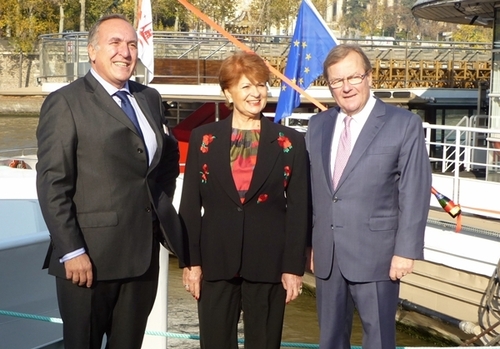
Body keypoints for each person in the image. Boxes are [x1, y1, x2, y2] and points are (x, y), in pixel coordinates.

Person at [36, 14, 181, 349]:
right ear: (92, 51)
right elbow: (52, 184)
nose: (125, 53)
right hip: (88, 261)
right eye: (115, 43)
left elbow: (167, 159)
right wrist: (71, 250)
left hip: (142, 258)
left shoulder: (149, 98)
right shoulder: (65, 103)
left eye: (132, 45)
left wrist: (158, 205)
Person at [179, 51, 310, 349]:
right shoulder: (203, 138)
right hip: (215, 264)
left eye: (261, 85)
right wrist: (192, 263)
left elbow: (300, 208)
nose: (256, 93)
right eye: (246, 86)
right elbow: (189, 205)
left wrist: (293, 268)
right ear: (228, 93)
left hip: (269, 265)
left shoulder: (290, 142)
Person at [305, 43, 431, 349]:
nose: (346, 88)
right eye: (337, 81)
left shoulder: (403, 124)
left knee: (378, 341)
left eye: (353, 77)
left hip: (379, 256)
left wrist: (406, 251)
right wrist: (308, 244)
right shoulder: (317, 125)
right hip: (328, 255)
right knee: (330, 341)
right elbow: (311, 192)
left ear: (369, 77)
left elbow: (415, 190)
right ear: (329, 85)